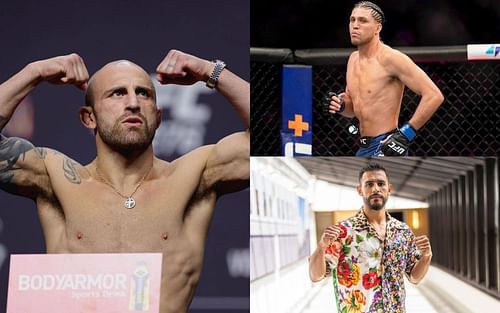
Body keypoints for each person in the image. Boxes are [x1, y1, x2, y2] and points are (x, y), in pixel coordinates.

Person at [0, 49, 249, 313]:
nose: (133, 103)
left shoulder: (194, 176)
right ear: (89, 118)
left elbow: (276, 137)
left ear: (158, 117)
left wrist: (211, 72)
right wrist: (33, 72)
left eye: (144, 93)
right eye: (117, 93)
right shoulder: (56, 178)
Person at [309, 163, 432, 313]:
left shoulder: (403, 231)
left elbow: (415, 278)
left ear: (389, 189)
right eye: (369, 184)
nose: (375, 189)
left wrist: (426, 256)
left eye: (381, 184)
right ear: (360, 190)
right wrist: (321, 247)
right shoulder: (343, 232)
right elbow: (316, 276)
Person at [327, 1, 444, 156]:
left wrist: (405, 134)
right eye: (352, 20)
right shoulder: (353, 59)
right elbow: (354, 110)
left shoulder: (391, 58)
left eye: (363, 20)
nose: (355, 25)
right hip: (363, 146)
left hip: (386, 144)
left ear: (378, 28)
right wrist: (341, 105)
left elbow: (434, 95)